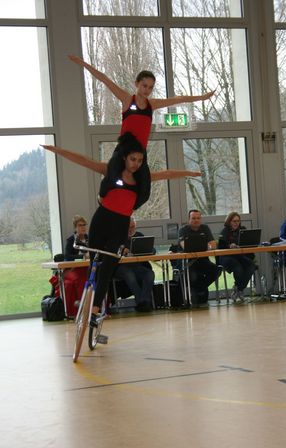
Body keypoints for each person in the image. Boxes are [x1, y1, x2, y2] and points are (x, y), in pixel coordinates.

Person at [42, 133, 199, 326]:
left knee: (107, 269)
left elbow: (166, 174)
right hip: (101, 221)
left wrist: (189, 174)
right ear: (124, 157)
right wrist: (56, 150)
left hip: (120, 226)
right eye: (133, 159)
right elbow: (83, 160)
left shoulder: (141, 180)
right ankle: (87, 298)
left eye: (140, 160)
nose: (136, 164)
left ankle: (95, 309)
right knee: (95, 266)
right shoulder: (110, 170)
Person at [66, 55, 214, 203]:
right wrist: (82, 63)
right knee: (112, 173)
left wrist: (201, 97)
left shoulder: (152, 104)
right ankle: (102, 197)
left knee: (144, 186)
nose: (147, 90)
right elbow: (105, 79)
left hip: (140, 153)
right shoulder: (127, 99)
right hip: (123, 149)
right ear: (137, 83)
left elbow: (178, 99)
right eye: (144, 85)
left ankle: (130, 206)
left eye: (150, 87)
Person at [113, 217, 155, 312]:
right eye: (128, 227)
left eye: (132, 227)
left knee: (149, 274)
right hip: (120, 268)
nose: (130, 229)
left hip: (137, 266)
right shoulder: (117, 238)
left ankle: (143, 301)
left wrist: (148, 249)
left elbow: (152, 249)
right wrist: (121, 251)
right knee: (129, 274)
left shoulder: (139, 236)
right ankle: (142, 302)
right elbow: (112, 253)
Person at [178, 209, 218, 305]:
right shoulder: (183, 230)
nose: (196, 220)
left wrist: (209, 246)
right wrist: (204, 246)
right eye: (194, 218)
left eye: (198, 218)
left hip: (203, 259)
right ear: (189, 219)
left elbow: (213, 245)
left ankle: (199, 289)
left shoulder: (205, 228)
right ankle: (198, 293)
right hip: (188, 262)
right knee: (193, 276)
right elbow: (185, 246)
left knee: (216, 270)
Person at [218, 212, 256, 302]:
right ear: (229, 222)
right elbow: (221, 246)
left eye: (238, 221)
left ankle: (238, 289)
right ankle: (239, 290)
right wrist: (229, 246)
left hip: (239, 255)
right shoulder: (225, 231)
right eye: (234, 221)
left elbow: (248, 243)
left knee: (251, 266)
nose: (236, 223)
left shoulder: (242, 230)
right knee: (238, 268)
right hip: (226, 256)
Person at [63, 215, 89, 317]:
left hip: (86, 267)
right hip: (72, 269)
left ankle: (97, 307)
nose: (82, 227)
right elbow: (67, 256)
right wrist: (81, 256)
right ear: (75, 227)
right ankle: (83, 308)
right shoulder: (71, 240)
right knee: (80, 279)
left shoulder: (89, 238)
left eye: (84, 225)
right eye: (80, 225)